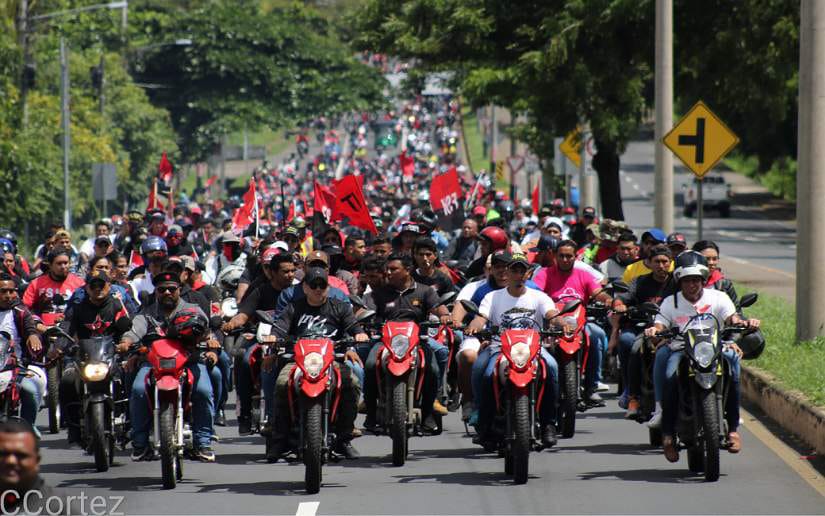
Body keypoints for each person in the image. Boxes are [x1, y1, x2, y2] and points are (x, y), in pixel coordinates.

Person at [644, 251, 760, 462]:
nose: (692, 285)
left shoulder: (719, 297)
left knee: (733, 366)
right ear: (680, 281)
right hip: (681, 349)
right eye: (687, 280)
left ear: (703, 280)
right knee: (670, 377)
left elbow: (731, 317)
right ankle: (668, 435)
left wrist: (744, 322)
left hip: (715, 348)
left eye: (696, 280)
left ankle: (733, 428)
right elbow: (660, 323)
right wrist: (654, 330)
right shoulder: (671, 302)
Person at [266, 267, 368, 460]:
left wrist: (359, 334)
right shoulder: (294, 307)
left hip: (333, 361)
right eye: (314, 285)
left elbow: (353, 326)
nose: (318, 289)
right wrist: (273, 337)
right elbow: (280, 328)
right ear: (305, 287)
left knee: (352, 383)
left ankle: (344, 438)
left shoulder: (340, 307)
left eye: (322, 285)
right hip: (299, 362)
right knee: (281, 384)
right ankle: (280, 439)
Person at [119, 272, 219, 462]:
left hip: (189, 361)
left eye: (171, 289)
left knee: (204, 391)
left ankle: (203, 442)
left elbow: (205, 329)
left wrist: (210, 340)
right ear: (155, 291)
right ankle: (140, 443)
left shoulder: (193, 309)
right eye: (162, 289)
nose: (167, 292)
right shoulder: (146, 313)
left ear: (179, 290)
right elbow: (134, 330)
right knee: (139, 390)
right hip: (153, 364)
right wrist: (126, 341)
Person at [465, 251, 561, 448]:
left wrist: (562, 323)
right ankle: (486, 427)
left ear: (528, 274)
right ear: (507, 273)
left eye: (522, 270)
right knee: (485, 375)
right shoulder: (492, 297)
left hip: (534, 350)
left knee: (552, 368)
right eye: (514, 270)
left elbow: (552, 314)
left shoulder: (540, 297)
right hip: (499, 348)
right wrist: (475, 325)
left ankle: (549, 424)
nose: (518, 274)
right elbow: (481, 317)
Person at [362, 254, 452, 427]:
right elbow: (366, 310)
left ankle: (428, 414)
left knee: (432, 369)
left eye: (393, 269)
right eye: (387, 269)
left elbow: (438, 308)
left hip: (418, 341)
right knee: (371, 365)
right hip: (385, 341)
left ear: (408, 270)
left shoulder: (425, 290)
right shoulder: (380, 293)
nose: (388, 272)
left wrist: (446, 316)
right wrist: (362, 317)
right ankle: (371, 413)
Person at [541, 239, 625, 404]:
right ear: (555, 256)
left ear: (575, 257)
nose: (565, 259)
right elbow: (536, 293)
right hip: (552, 324)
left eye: (569, 256)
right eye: (561, 256)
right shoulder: (544, 274)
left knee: (595, 336)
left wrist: (610, 301)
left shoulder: (584, 274)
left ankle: (591, 386)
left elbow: (598, 292)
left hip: (579, 322)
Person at [222, 253, 296, 434]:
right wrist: (232, 323)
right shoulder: (261, 291)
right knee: (245, 360)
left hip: (291, 342)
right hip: (262, 339)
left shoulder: (299, 292)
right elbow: (244, 314)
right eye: (285, 271)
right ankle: (245, 414)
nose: (291, 275)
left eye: (293, 271)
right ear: (272, 272)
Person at [55, 271, 130, 445]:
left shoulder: (117, 306)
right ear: (86, 288)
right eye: (93, 285)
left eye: (101, 285)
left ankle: (130, 424)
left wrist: (126, 342)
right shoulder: (78, 308)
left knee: (131, 379)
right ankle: (73, 427)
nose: (97, 289)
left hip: (113, 357)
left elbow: (129, 324)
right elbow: (66, 328)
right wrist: (59, 347)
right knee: (67, 380)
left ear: (109, 286)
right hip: (85, 359)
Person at [610, 245, 676, 417]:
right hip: (645, 328)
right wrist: (620, 304)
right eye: (657, 262)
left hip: (672, 331)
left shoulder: (677, 282)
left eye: (665, 262)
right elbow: (623, 297)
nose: (661, 266)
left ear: (670, 263)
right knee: (630, 345)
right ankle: (632, 395)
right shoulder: (639, 282)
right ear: (649, 263)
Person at [0, 419, 74, 515]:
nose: (11, 461)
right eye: (3, 454)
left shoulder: (57, 508)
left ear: (37, 460)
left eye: (21, 455)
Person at [0, 274, 44, 431]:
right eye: (3, 291)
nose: (8, 295)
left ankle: (28, 426)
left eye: (11, 291)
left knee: (30, 390)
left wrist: (33, 336)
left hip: (16, 366)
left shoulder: (20, 312)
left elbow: (30, 328)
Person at [23, 248, 85, 324]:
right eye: (59, 263)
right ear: (50, 265)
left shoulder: (79, 283)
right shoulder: (36, 283)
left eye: (66, 263)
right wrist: (36, 323)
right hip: (43, 329)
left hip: (70, 329)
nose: (63, 267)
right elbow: (24, 309)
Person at [692, 240, 738, 304]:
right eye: (707, 259)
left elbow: (736, 311)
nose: (711, 263)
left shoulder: (725, 284)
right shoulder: (683, 282)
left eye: (714, 259)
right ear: (695, 259)